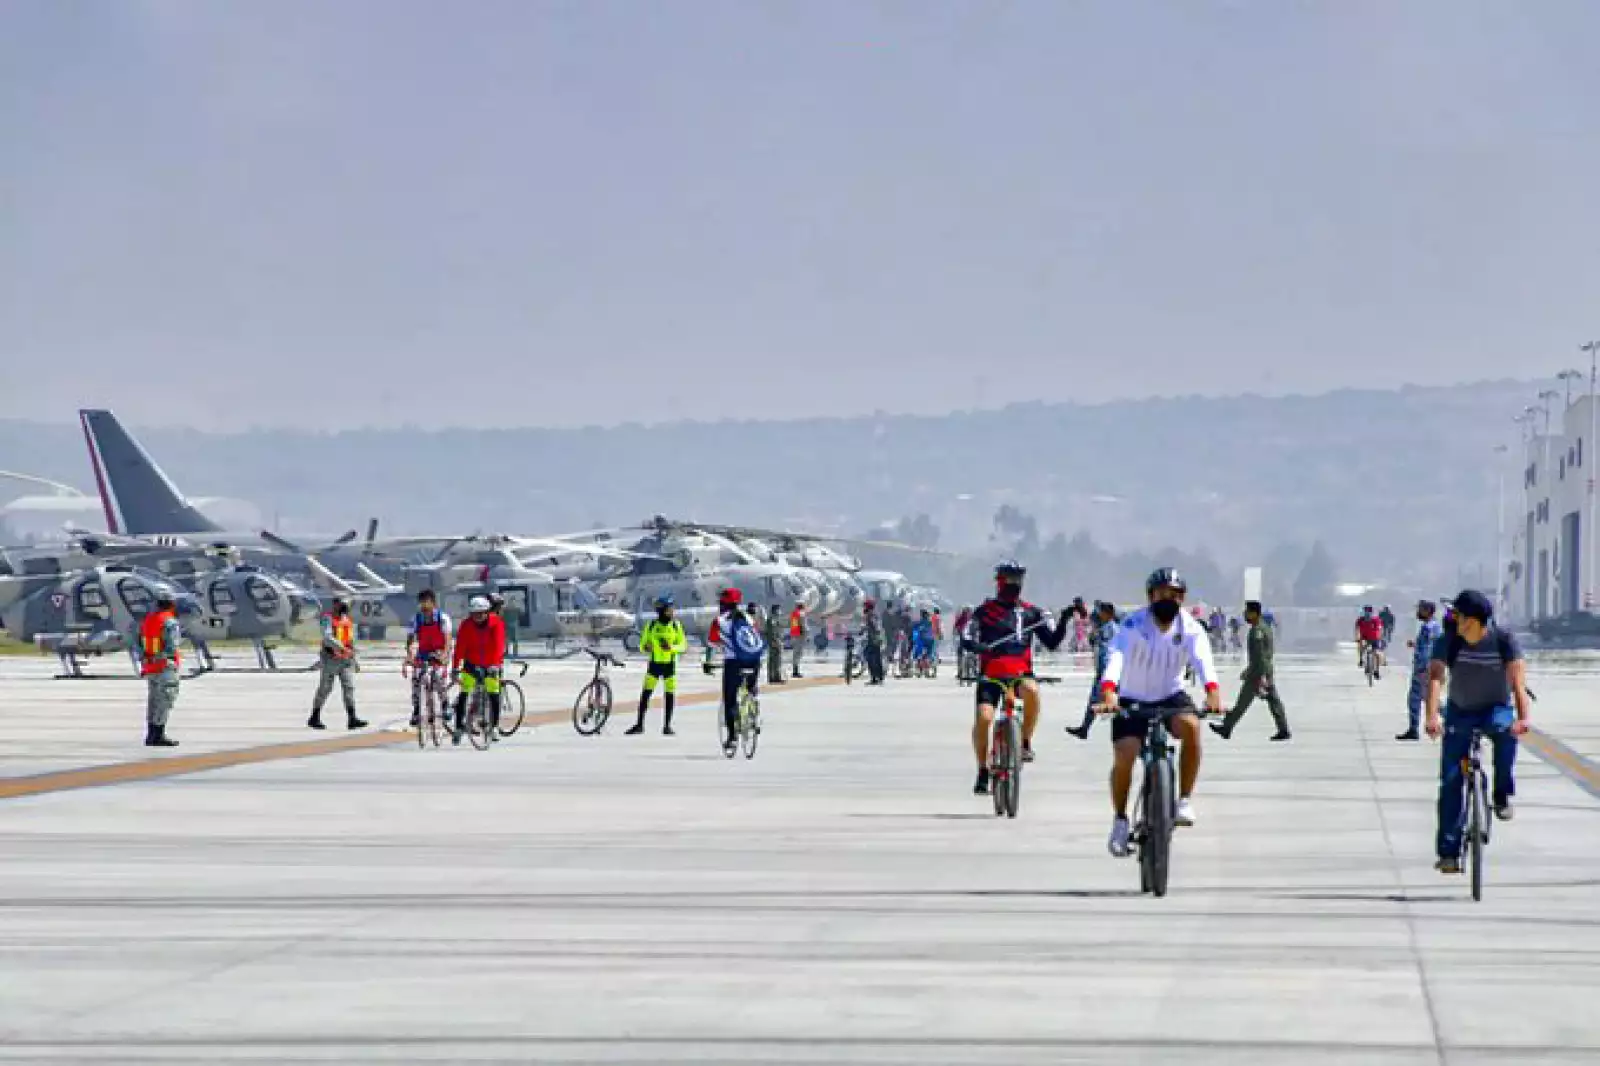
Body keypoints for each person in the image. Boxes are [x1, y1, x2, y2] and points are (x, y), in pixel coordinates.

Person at [1097, 568, 1222, 856]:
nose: (1169, 600)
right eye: (1163, 594)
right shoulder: (1133, 625)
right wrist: (1108, 692)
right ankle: (1119, 820)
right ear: (1151, 596)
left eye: (1175, 595)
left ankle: (1184, 800)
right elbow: (1116, 656)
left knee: (1191, 727)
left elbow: (1203, 660)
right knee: (1125, 754)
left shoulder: (1191, 628)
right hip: (1131, 698)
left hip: (1170, 695)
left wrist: (1213, 693)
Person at [1425, 590, 1531, 874]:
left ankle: (1501, 794)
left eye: (1457, 614)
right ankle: (1448, 853)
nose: (1452, 618)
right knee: (1450, 782)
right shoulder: (1449, 640)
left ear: (1473, 620)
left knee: (1506, 732)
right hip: (1459, 711)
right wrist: (1432, 716)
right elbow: (1435, 679)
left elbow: (1518, 684)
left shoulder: (1502, 639)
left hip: (1494, 709)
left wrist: (1523, 719)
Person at [969, 561, 1070, 794]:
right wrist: (976, 645)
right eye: (1009, 579)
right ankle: (983, 769)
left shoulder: (1031, 612)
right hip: (991, 675)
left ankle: (1024, 741)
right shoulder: (984, 611)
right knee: (984, 718)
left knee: (1033, 691)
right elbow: (968, 635)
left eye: (1017, 580)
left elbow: (1052, 643)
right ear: (999, 582)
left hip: (1019, 674)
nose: (1013, 584)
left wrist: (1064, 620)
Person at [1211, 600, 1290, 741]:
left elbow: (1260, 656)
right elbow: (1264, 654)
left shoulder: (1257, 631)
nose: (1245, 615)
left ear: (1254, 613)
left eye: (1247, 612)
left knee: (1243, 702)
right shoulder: (1264, 627)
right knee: (1273, 701)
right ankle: (1283, 729)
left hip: (1258, 674)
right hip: (1261, 671)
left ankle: (1227, 727)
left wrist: (1260, 676)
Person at [707, 588, 764, 755]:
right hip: (754, 661)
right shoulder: (748, 618)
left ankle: (732, 737)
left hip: (733, 663)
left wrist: (708, 662)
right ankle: (753, 704)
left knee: (730, 699)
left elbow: (712, 644)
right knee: (750, 687)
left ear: (723, 604)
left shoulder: (719, 621)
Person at [451, 595, 507, 744]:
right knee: (464, 693)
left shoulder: (496, 623)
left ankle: (494, 727)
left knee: (494, 693)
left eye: (481, 613)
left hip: (491, 663)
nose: (478, 617)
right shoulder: (466, 625)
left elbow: (498, 645)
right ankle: (458, 728)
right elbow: (460, 648)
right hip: (471, 663)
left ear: (487, 612)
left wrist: (495, 664)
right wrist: (455, 668)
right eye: (475, 614)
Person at [629, 595, 686, 735]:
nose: (672, 612)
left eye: (672, 609)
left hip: (669, 666)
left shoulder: (675, 625)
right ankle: (639, 725)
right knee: (646, 694)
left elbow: (683, 645)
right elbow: (642, 645)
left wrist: (671, 647)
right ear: (661, 610)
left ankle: (667, 726)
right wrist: (646, 648)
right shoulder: (652, 625)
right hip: (654, 665)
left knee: (669, 695)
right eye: (669, 609)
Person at [310, 597, 366, 731]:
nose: (344, 607)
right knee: (325, 689)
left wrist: (354, 660)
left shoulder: (347, 620)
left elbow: (350, 640)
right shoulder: (327, 619)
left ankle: (352, 718)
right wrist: (342, 648)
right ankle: (314, 716)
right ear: (335, 605)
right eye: (342, 604)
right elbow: (327, 637)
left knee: (349, 688)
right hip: (330, 659)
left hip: (345, 661)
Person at [1066, 600, 1119, 740]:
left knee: (1097, 700)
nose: (1098, 614)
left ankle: (1085, 729)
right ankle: (1084, 729)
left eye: (1101, 611)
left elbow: (1106, 650)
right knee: (1095, 701)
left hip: (1107, 672)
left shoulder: (1109, 629)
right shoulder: (1107, 626)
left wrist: (1105, 673)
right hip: (1106, 671)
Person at [403, 590, 453, 728]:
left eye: (427, 602)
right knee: (416, 678)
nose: (424, 606)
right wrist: (409, 655)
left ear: (433, 603)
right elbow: (410, 639)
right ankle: (416, 710)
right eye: (421, 602)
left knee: (439, 677)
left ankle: (445, 705)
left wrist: (444, 654)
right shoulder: (416, 619)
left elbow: (448, 639)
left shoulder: (443, 618)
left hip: (439, 651)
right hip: (423, 653)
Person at [139, 593, 183, 747]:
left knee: (154, 700)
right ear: (171, 604)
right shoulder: (169, 622)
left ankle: (151, 734)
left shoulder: (149, 620)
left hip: (150, 666)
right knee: (165, 700)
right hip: (165, 666)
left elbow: (141, 643)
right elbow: (172, 646)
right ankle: (158, 734)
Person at [1397, 599, 1443, 741]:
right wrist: (1415, 644)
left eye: (1421, 609)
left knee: (1422, 698)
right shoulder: (1433, 626)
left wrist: (1424, 667)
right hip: (1426, 668)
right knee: (1425, 698)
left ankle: (1414, 729)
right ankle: (1413, 729)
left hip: (1424, 669)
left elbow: (1429, 649)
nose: (1418, 612)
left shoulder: (1428, 627)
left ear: (1427, 611)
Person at [861, 600, 886, 684]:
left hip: (873, 639)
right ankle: (878, 677)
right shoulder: (874, 615)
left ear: (868, 607)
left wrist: (864, 629)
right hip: (877, 639)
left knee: (870, 657)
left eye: (865, 606)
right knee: (876, 658)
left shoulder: (870, 616)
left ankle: (875, 678)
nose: (864, 608)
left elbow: (874, 626)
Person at [1355, 605, 1385, 673]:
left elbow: (1380, 629)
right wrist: (1357, 637)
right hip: (1364, 638)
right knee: (1361, 646)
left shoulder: (1376, 620)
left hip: (1374, 638)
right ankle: (1361, 660)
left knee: (1377, 653)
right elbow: (1357, 629)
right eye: (1366, 611)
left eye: (1369, 611)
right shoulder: (1360, 620)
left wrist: (1380, 637)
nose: (1367, 613)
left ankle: (1376, 671)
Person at [764, 603, 786, 685]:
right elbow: (771, 632)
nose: (780, 611)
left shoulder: (776, 619)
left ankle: (776, 677)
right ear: (775, 610)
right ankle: (773, 677)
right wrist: (774, 641)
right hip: (774, 642)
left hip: (778, 641)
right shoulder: (772, 619)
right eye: (778, 609)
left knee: (777, 660)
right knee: (774, 660)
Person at [787, 602, 807, 679]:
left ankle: (796, 670)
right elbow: (801, 626)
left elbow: (794, 625)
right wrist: (802, 633)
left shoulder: (795, 613)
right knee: (797, 653)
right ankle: (795, 671)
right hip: (799, 636)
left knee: (797, 653)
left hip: (797, 635)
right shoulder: (799, 613)